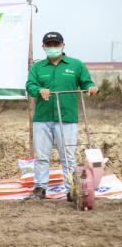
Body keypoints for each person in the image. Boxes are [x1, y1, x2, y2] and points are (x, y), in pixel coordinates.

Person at [26, 32, 98, 200]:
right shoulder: (38, 67)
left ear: (63, 45)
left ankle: (71, 189)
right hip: (42, 118)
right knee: (42, 156)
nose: (52, 47)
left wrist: (92, 87)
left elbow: (87, 82)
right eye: (49, 45)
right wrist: (39, 90)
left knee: (68, 157)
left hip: (67, 118)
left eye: (55, 44)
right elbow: (30, 85)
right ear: (43, 47)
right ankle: (40, 188)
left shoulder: (76, 65)